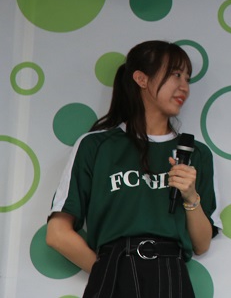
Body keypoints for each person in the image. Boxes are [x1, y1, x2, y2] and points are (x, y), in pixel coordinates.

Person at [46, 40, 221, 298]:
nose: (184, 87)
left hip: (172, 276)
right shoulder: (95, 145)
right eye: (175, 74)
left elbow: (202, 244)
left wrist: (190, 196)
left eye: (187, 78)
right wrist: (108, 272)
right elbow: (57, 234)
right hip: (113, 268)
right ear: (141, 78)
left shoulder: (197, 154)